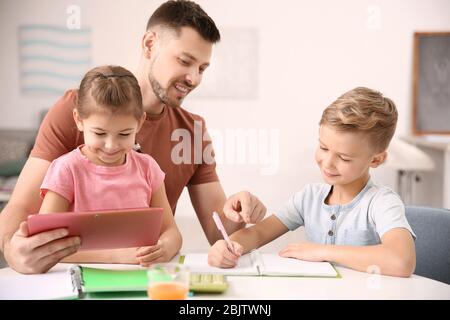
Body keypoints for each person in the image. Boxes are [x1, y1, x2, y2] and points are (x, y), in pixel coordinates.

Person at [0, 0, 265, 274]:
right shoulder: (75, 109)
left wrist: (237, 211)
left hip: (145, 274)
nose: (194, 78)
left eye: (202, 68)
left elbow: (217, 229)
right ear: (150, 44)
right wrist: (13, 250)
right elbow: (19, 206)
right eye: (185, 61)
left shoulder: (193, 132)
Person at [208, 87, 417, 277]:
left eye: (344, 158)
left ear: (376, 159)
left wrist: (321, 251)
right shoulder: (309, 197)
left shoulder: (382, 202)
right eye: (324, 148)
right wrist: (228, 247)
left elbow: (401, 261)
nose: (328, 163)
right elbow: (259, 232)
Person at [38, 65, 182, 266]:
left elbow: (171, 232)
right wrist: (115, 256)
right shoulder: (66, 170)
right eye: (99, 133)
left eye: (124, 134)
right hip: (82, 279)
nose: (111, 146)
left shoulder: (147, 168)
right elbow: (45, 246)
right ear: (78, 120)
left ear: (140, 123)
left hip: (139, 278)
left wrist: (164, 248)